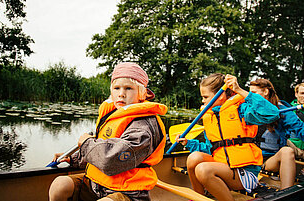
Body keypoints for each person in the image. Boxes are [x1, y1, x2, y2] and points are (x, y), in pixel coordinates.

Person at [49, 62, 167, 201]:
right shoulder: (111, 114)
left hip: (128, 192)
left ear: (142, 93)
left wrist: (86, 143)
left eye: (128, 88)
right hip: (96, 185)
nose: (121, 94)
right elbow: (100, 149)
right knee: (60, 185)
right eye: (116, 88)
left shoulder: (144, 127)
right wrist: (73, 158)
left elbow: (110, 160)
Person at [176, 73, 280, 201]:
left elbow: (272, 114)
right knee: (194, 158)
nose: (202, 101)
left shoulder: (241, 110)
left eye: (205, 97)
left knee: (203, 169)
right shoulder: (210, 117)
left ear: (219, 96)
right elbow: (211, 148)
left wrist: (239, 90)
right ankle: (200, 197)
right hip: (224, 167)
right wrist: (189, 143)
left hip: (244, 173)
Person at [249, 79, 304, 189]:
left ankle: (286, 192)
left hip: (269, 160)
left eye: (254, 93)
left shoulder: (282, 110)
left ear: (265, 92)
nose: (250, 96)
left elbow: (300, 129)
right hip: (250, 160)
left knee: (287, 151)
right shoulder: (247, 109)